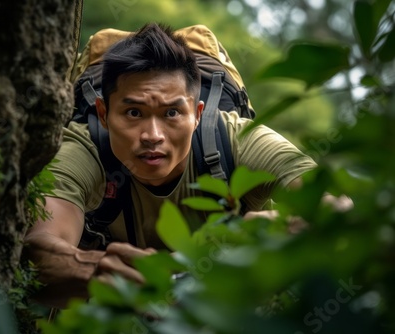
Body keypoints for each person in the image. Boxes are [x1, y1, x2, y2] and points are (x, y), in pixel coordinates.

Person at [23, 23, 350, 308]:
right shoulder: (83, 147)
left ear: (197, 114)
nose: (152, 136)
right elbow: (38, 249)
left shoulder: (238, 138)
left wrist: (281, 229)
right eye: (134, 113)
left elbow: (339, 206)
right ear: (105, 114)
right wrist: (90, 269)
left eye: (172, 113)